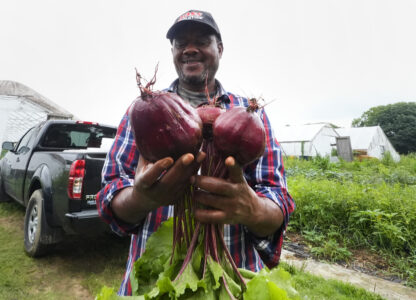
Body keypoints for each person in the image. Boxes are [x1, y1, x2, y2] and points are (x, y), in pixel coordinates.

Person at [96, 9, 295, 296]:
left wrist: (251, 208)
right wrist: (141, 198)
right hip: (156, 278)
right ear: (173, 52)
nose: (190, 49)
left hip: (231, 280)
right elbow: (109, 193)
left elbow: (279, 199)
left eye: (201, 40)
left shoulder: (252, 115)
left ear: (220, 49)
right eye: (180, 44)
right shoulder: (141, 111)